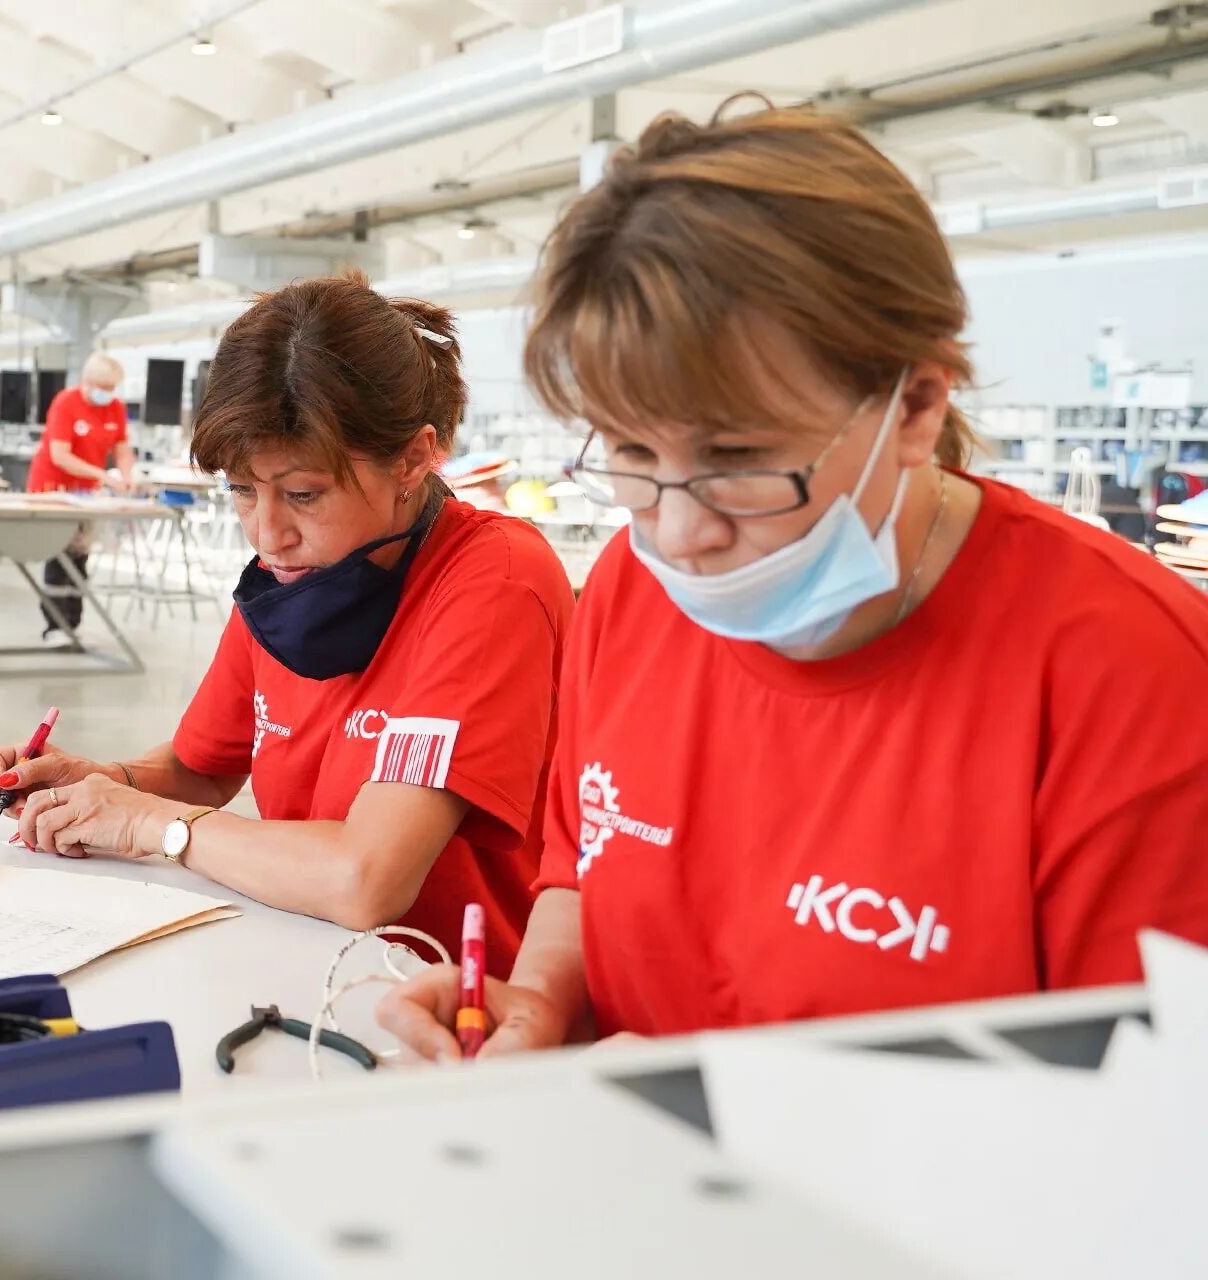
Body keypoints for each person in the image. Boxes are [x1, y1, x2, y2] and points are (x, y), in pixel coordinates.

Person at [378, 103, 1208, 1061]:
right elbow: (580, 874)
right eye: (634, 452)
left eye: (739, 458)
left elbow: (1142, 1141)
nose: (681, 534)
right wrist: (541, 1002)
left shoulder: (1137, 681)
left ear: (917, 407)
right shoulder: (626, 592)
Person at [0, 275, 574, 963]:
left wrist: (152, 824)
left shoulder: (493, 580)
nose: (267, 535)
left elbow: (367, 879)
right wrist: (101, 784)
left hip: (448, 1005)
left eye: (303, 494)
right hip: (311, 962)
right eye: (241, 491)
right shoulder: (293, 574)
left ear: (413, 459)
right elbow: (202, 769)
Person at [26, 352, 136, 646]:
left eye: (112, 388)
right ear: (87, 382)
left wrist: (126, 474)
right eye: (103, 386)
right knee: (58, 554)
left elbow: (122, 448)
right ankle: (54, 626)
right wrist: (105, 476)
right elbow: (60, 455)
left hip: (87, 493)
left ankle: (72, 623)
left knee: (79, 557)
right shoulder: (66, 402)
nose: (107, 394)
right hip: (54, 488)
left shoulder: (115, 408)